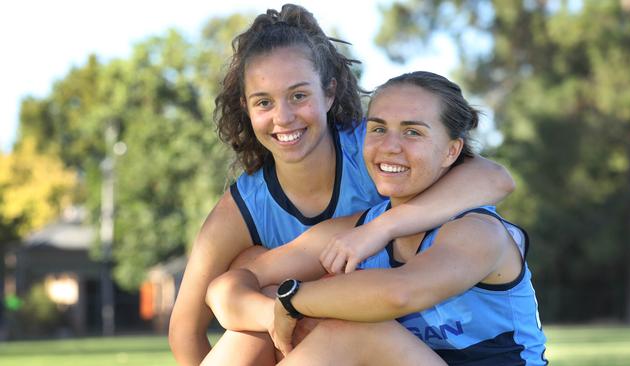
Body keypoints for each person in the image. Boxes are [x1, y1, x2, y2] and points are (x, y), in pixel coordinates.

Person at [168, 4, 515, 365]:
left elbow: (494, 178)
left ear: (329, 93)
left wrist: (379, 230)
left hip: (373, 337)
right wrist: (279, 312)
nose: (284, 117)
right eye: (264, 102)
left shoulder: (377, 151)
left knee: (350, 326)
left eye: (299, 95)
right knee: (255, 302)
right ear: (246, 106)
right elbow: (201, 314)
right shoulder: (249, 205)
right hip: (351, 338)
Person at [206, 71, 548, 365]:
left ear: (451, 150)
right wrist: (272, 313)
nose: (390, 146)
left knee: (356, 329)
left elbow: (399, 293)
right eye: (379, 129)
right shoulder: (359, 228)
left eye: (412, 132)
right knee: (256, 328)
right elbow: (227, 287)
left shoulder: (477, 231)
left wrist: (293, 301)